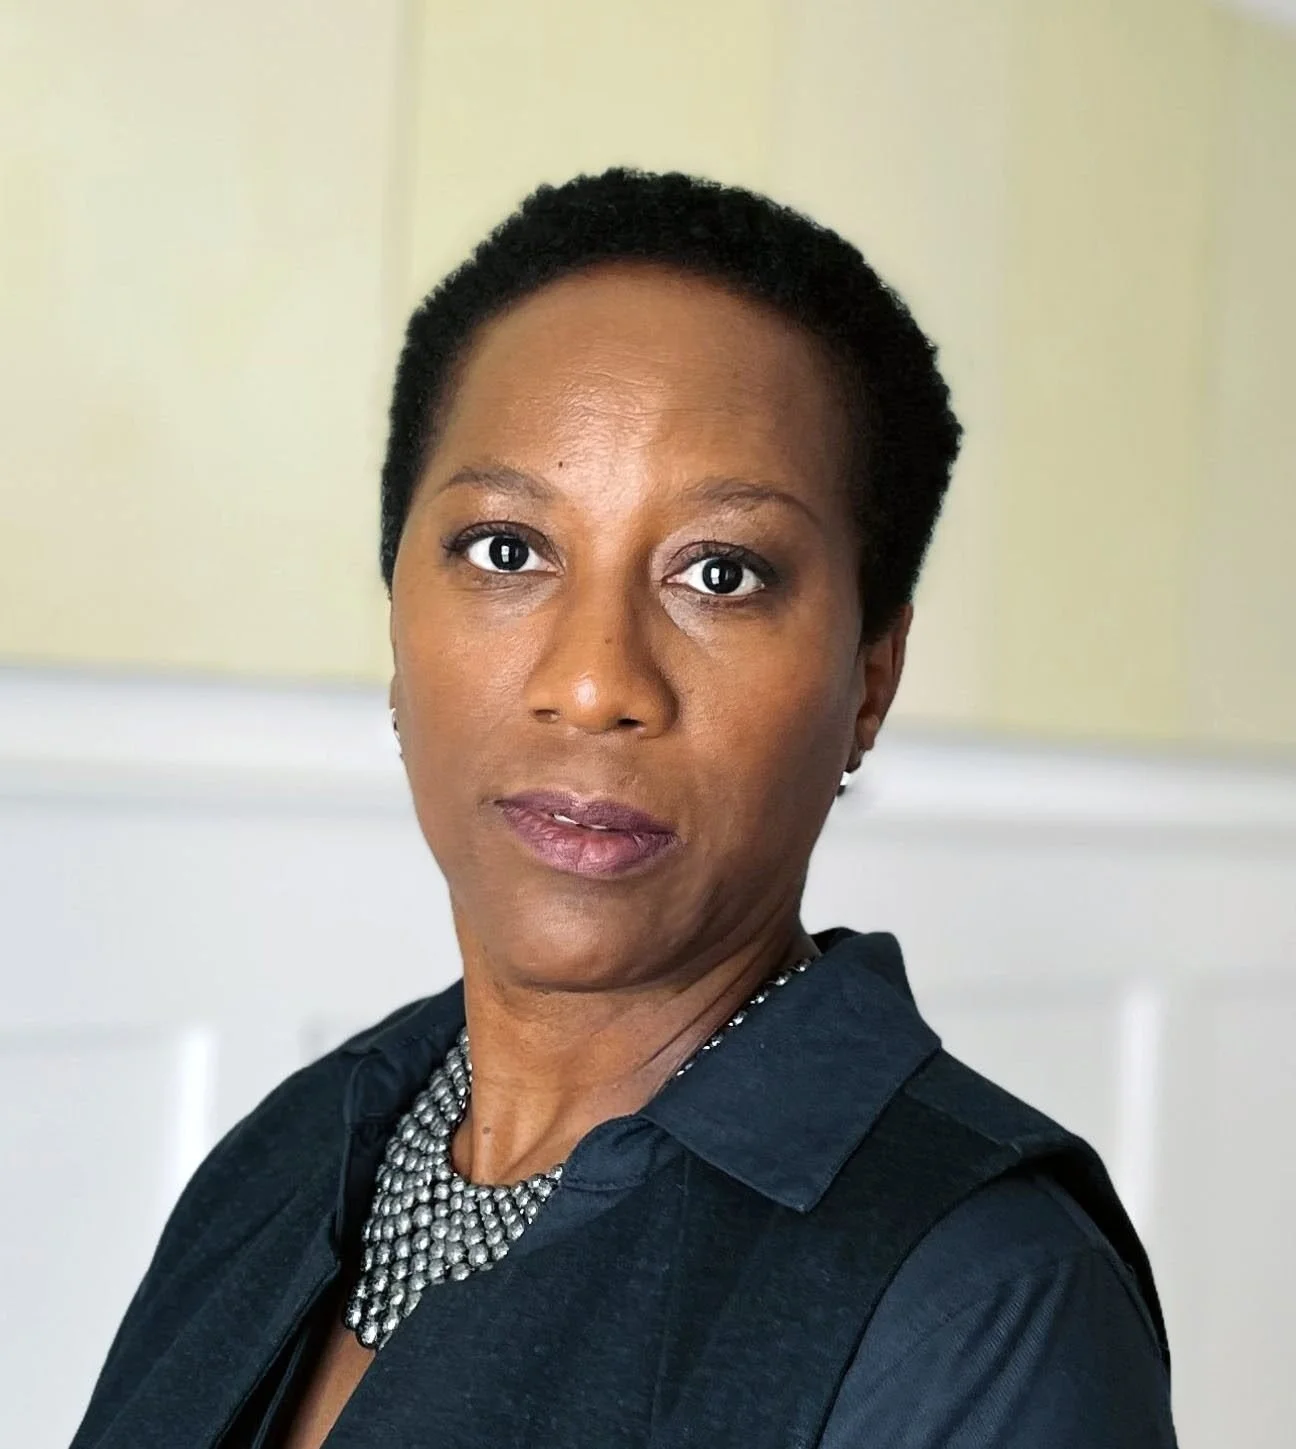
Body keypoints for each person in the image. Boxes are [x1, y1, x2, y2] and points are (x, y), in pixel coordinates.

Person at [71, 168, 1176, 1448]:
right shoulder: (290, 1155)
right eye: (507, 550)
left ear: (869, 678)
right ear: (396, 622)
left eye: (721, 572)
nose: (596, 682)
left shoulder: (980, 1298)